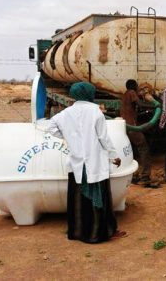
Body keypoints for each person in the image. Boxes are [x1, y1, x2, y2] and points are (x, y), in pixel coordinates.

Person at [48, 82, 126, 243]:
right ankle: (100, 233)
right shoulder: (95, 112)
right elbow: (104, 138)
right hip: (95, 163)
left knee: (79, 199)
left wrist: (68, 136)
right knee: (98, 198)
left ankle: (78, 232)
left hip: (77, 164)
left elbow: (50, 128)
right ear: (89, 94)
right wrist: (114, 156)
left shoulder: (65, 113)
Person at [121, 79, 159, 188]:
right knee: (144, 149)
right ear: (134, 86)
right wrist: (155, 105)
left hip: (125, 127)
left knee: (130, 151)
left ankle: (132, 174)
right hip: (132, 127)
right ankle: (145, 177)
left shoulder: (124, 95)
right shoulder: (131, 93)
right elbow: (140, 104)